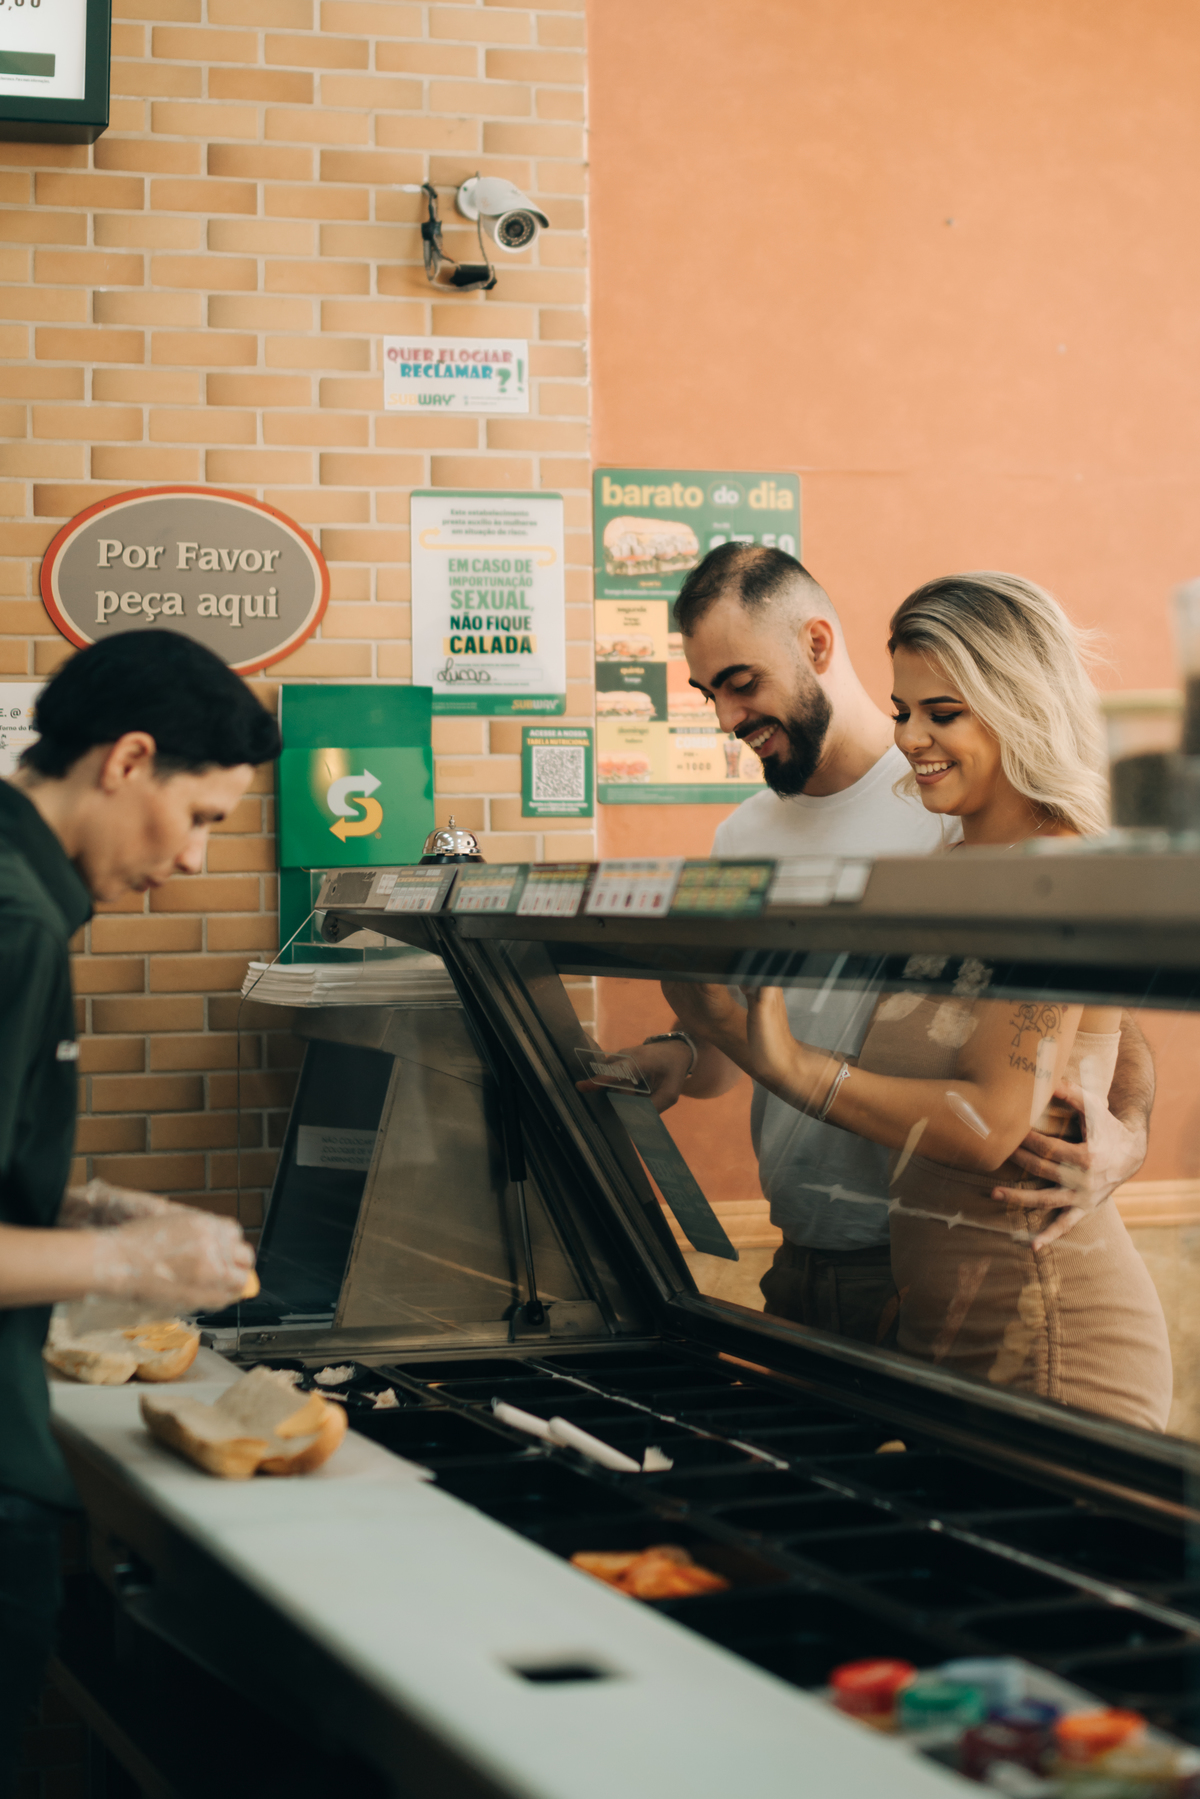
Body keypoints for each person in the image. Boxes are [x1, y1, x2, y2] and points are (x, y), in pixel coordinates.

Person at [586, 544, 1152, 1345]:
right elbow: (738, 1039)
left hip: (929, 1256)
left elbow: (1104, 1023)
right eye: (708, 692)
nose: (725, 718)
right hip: (800, 1258)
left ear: (816, 644)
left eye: (742, 683)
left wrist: (1125, 1138)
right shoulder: (741, 835)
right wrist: (676, 1051)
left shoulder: (960, 804)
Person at [0, 630, 280, 1793]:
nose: (202, 860)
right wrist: (138, 1259)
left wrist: (81, 1206)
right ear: (126, 760)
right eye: (204, 816)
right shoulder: (14, 918)